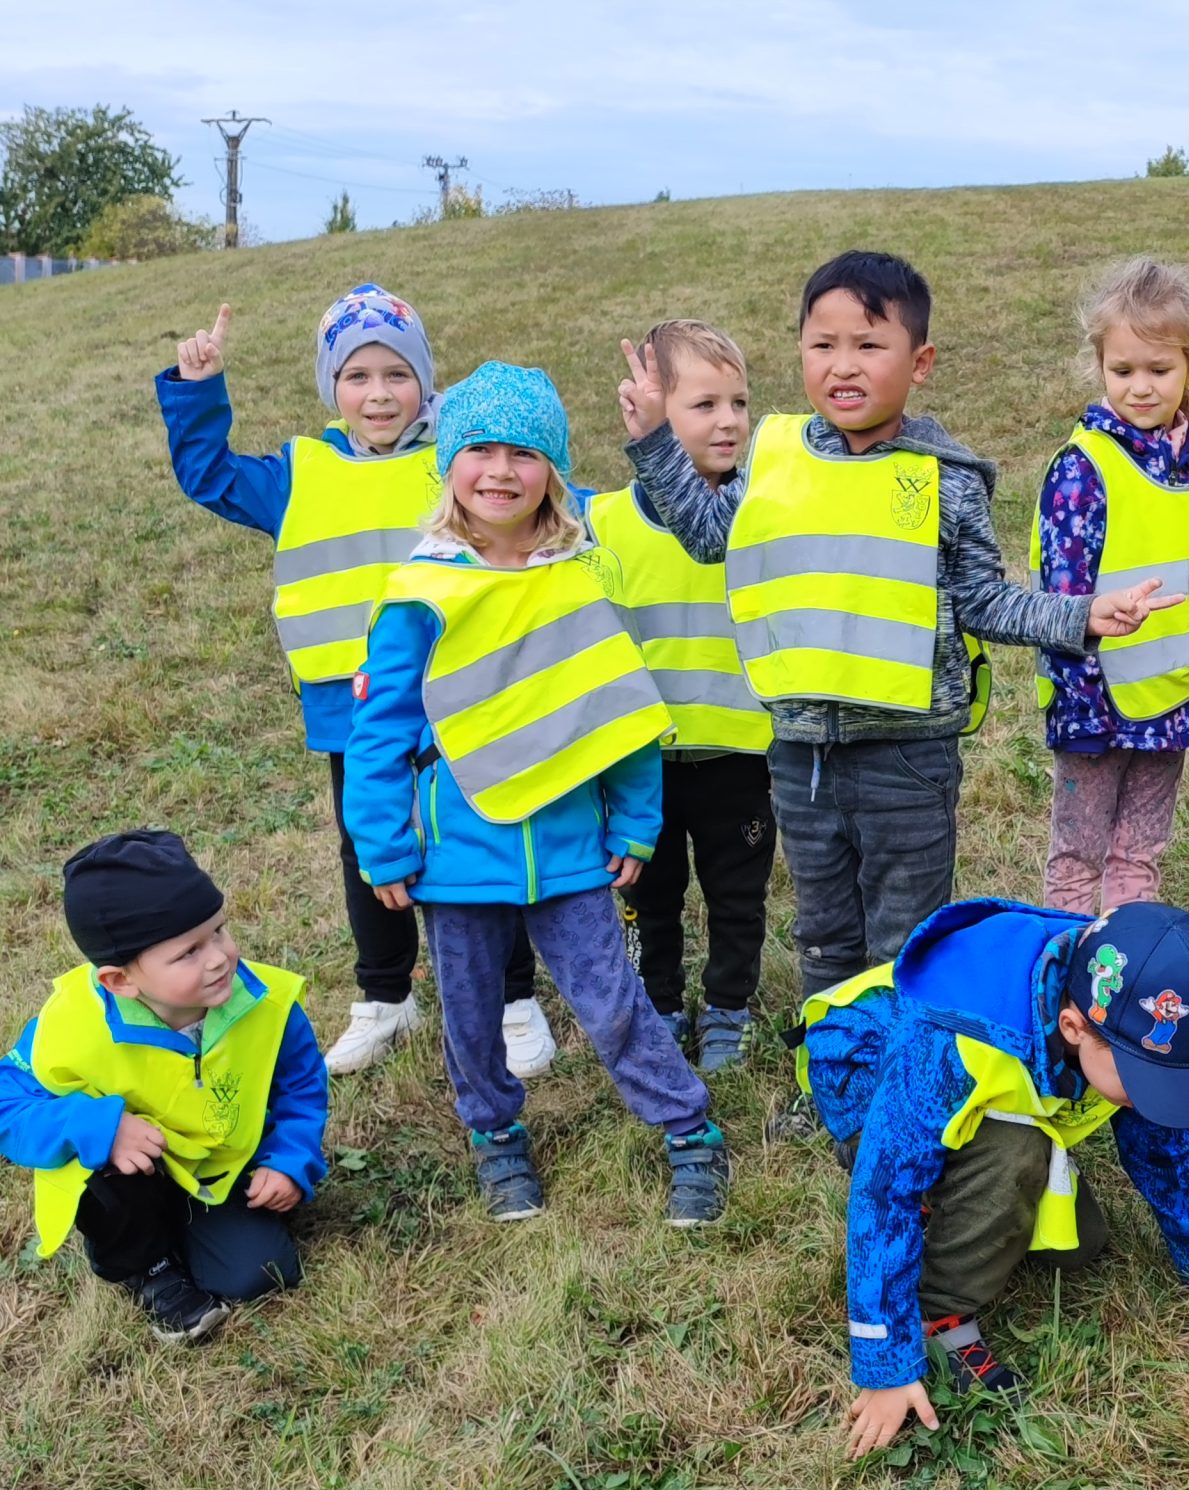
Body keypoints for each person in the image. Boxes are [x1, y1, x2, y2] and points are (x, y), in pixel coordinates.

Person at [622, 249, 1172, 1001]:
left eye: (869, 344)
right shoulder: (771, 458)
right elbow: (706, 535)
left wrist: (1081, 617)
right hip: (802, 756)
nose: (843, 364)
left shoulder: (947, 477)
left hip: (908, 760)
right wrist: (657, 440)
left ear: (920, 363)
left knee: (905, 941)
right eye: (823, 344)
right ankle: (833, 1055)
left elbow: (983, 601)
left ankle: (900, 1062)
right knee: (824, 934)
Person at [342, 362, 730, 1227]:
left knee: (612, 1003)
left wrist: (636, 820)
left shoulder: (580, 577)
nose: (500, 470)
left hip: (569, 850)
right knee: (471, 1014)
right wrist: (383, 844)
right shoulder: (420, 594)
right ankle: (493, 1133)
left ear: (553, 469)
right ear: (449, 463)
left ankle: (689, 1129)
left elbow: (619, 712)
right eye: (480, 449)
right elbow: (378, 732)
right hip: (457, 856)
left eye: (524, 452)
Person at [156, 286, 551, 1078]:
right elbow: (209, 477)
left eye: (398, 374)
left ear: (426, 381)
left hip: (460, 695)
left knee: (482, 832)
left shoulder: (458, 463)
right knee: (367, 846)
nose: (379, 394)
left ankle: (513, 997)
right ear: (331, 386)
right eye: (357, 376)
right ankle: (385, 997)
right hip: (353, 707)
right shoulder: (301, 472)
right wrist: (198, 391)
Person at [803, 898, 1189, 1455]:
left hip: (975, 1076)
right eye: (1145, 1080)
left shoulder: (1117, 1005)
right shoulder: (952, 1043)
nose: (1158, 1097)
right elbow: (883, 1190)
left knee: (1079, 1244)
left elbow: (1165, 1151)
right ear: (1072, 1027)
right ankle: (935, 1314)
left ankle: (955, 1193)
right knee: (1016, 1156)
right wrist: (886, 1367)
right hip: (871, 1072)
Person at [0, 832, 327, 1343]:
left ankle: (193, 1227)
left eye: (218, 931)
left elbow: (301, 1084)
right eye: (188, 952)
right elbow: (8, 1103)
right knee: (106, 1169)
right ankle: (146, 1267)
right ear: (120, 981)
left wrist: (290, 1159)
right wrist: (101, 1127)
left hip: (216, 1172)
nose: (219, 958)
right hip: (127, 1172)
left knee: (260, 1274)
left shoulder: (265, 1003)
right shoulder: (69, 1027)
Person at [595, 320, 775, 1074]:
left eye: (739, 402)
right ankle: (658, 1002)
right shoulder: (603, 524)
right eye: (704, 405)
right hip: (645, 765)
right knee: (648, 896)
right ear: (649, 411)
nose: (729, 421)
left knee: (738, 895)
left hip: (742, 756)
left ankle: (729, 1005)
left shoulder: (760, 512)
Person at [1029, 259, 1189, 914]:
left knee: (1141, 853)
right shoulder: (1082, 469)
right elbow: (1060, 598)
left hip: (1169, 704)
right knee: (1077, 854)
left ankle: (1125, 959)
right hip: (1093, 704)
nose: (1141, 387)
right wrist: (1079, 700)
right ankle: (1067, 956)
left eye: (1159, 370)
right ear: (1101, 367)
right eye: (1123, 370)